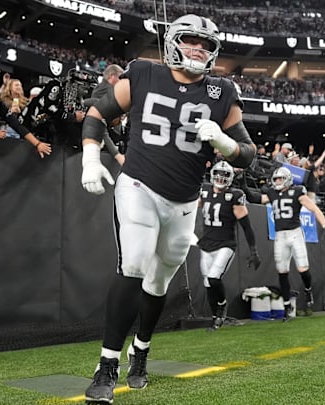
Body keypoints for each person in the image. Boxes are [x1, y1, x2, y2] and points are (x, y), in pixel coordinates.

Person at [78, 15, 256, 404]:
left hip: (185, 201)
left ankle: (140, 350)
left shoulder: (222, 91)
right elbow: (97, 114)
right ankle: (106, 364)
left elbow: (248, 155)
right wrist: (91, 158)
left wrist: (225, 145)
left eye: (206, 45)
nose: (198, 50)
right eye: (190, 41)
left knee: (158, 283)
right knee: (134, 263)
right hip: (139, 185)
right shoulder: (143, 73)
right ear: (174, 42)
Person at [242, 166, 325, 320]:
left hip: (295, 233)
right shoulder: (272, 193)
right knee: (282, 272)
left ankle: (308, 289)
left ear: (288, 179)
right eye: (276, 179)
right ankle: (286, 306)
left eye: (280, 179)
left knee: (302, 268)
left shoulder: (297, 192)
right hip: (280, 235)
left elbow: (314, 209)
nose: (277, 181)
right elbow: (255, 198)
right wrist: (244, 185)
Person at [198, 161, 260, 330]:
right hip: (207, 243)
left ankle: (222, 305)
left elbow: (246, 226)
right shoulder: (204, 190)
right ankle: (215, 317)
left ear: (231, 178)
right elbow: (192, 208)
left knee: (213, 278)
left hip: (225, 244)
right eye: (218, 173)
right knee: (207, 282)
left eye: (225, 175)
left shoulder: (235, 195)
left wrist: (253, 249)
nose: (220, 177)